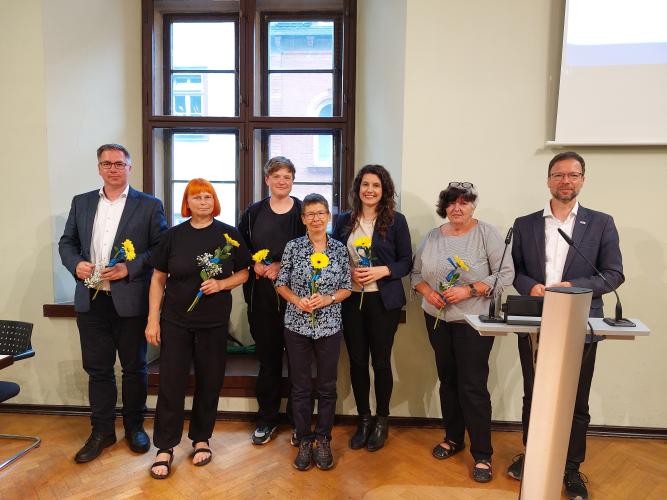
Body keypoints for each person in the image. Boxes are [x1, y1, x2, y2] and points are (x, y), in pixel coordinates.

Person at [508, 152, 624, 500]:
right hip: (535, 319)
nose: (566, 181)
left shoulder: (601, 223)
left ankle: (571, 467)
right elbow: (513, 269)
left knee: (576, 398)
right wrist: (531, 286)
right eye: (559, 175)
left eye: (573, 175)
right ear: (548, 179)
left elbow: (613, 273)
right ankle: (534, 455)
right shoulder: (525, 223)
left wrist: (574, 288)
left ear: (583, 180)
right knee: (534, 394)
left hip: (581, 322)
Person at [59, 143, 168, 463]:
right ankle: (102, 431)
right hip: (91, 300)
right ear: (99, 168)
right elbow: (67, 242)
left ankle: (135, 426)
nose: (113, 169)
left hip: (130, 300)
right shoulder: (81, 203)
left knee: (134, 368)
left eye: (119, 164)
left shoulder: (149, 205)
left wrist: (128, 268)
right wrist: (75, 263)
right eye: (107, 164)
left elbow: (160, 250)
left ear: (129, 168)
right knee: (98, 370)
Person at [146, 178, 250, 479]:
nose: (203, 202)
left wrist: (221, 283)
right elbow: (157, 279)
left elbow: (244, 273)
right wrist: (153, 319)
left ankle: (201, 438)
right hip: (175, 321)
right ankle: (165, 447)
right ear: (187, 203)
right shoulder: (172, 236)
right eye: (196, 197)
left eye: (208, 197)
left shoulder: (229, 235)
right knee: (171, 384)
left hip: (214, 323)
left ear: (214, 201)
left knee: (210, 381)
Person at [411, 182, 514, 483]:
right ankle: (453, 438)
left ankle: (483, 454)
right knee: (448, 382)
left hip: (474, 323)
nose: (458, 208)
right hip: (437, 320)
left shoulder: (487, 234)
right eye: (452, 203)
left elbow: (506, 273)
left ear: (473, 206)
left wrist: (468, 290)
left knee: (472, 387)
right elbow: (416, 273)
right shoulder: (432, 237)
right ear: (444, 207)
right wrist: (428, 292)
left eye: (464, 203)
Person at [332, 164, 412, 451]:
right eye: (365, 185)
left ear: (384, 190)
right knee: (356, 361)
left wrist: (382, 271)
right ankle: (363, 418)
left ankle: (382, 420)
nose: (370, 190)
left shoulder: (396, 221)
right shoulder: (343, 220)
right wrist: (347, 272)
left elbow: (406, 262)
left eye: (376, 185)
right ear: (358, 189)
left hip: (383, 301)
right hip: (351, 300)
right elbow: (331, 257)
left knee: (380, 361)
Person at [275, 193, 351, 471]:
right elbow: (281, 283)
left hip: (330, 325)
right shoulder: (293, 247)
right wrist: (297, 300)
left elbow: (347, 287)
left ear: (328, 216)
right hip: (297, 325)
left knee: (327, 387)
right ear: (303, 219)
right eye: (310, 214)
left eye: (321, 213)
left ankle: (324, 439)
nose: (316, 218)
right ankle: (304, 439)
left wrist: (328, 299)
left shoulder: (340, 249)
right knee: (301, 386)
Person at [238, 156, 306, 446]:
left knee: (298, 361)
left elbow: (315, 248)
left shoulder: (304, 211)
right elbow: (239, 247)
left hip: (297, 297)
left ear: (293, 180)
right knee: (268, 361)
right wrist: (254, 265)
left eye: (287, 176)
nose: (282, 181)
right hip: (261, 296)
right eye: (276, 176)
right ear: (267, 180)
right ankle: (266, 418)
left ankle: (298, 421)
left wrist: (282, 266)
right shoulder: (252, 213)